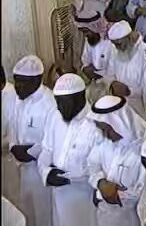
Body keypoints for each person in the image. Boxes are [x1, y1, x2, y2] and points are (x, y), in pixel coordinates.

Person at [38, 74, 102, 226]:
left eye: (64, 102)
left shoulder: (97, 123)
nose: (59, 107)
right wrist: (46, 172)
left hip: (84, 196)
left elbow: (102, 167)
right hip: (58, 194)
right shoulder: (55, 116)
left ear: (80, 98)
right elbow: (46, 151)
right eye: (57, 102)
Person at [3, 56, 56, 225]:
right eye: (16, 81)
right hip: (23, 169)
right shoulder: (20, 99)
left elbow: (54, 139)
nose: (17, 86)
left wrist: (30, 152)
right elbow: (13, 127)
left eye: (22, 82)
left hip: (42, 170)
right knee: (28, 213)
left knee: (44, 214)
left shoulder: (50, 103)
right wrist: (13, 146)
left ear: (36, 80)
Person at [86, 95, 146, 225]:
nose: (105, 134)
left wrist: (107, 193)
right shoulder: (105, 142)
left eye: (108, 129)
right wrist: (100, 182)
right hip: (105, 216)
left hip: (132, 217)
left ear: (120, 123)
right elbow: (92, 164)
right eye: (102, 130)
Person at [74, 11, 114, 102]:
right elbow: (85, 59)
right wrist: (85, 68)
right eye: (83, 32)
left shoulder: (111, 41)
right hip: (95, 84)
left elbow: (115, 69)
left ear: (94, 28)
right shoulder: (90, 40)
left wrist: (99, 75)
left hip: (111, 86)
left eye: (86, 31)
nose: (85, 35)